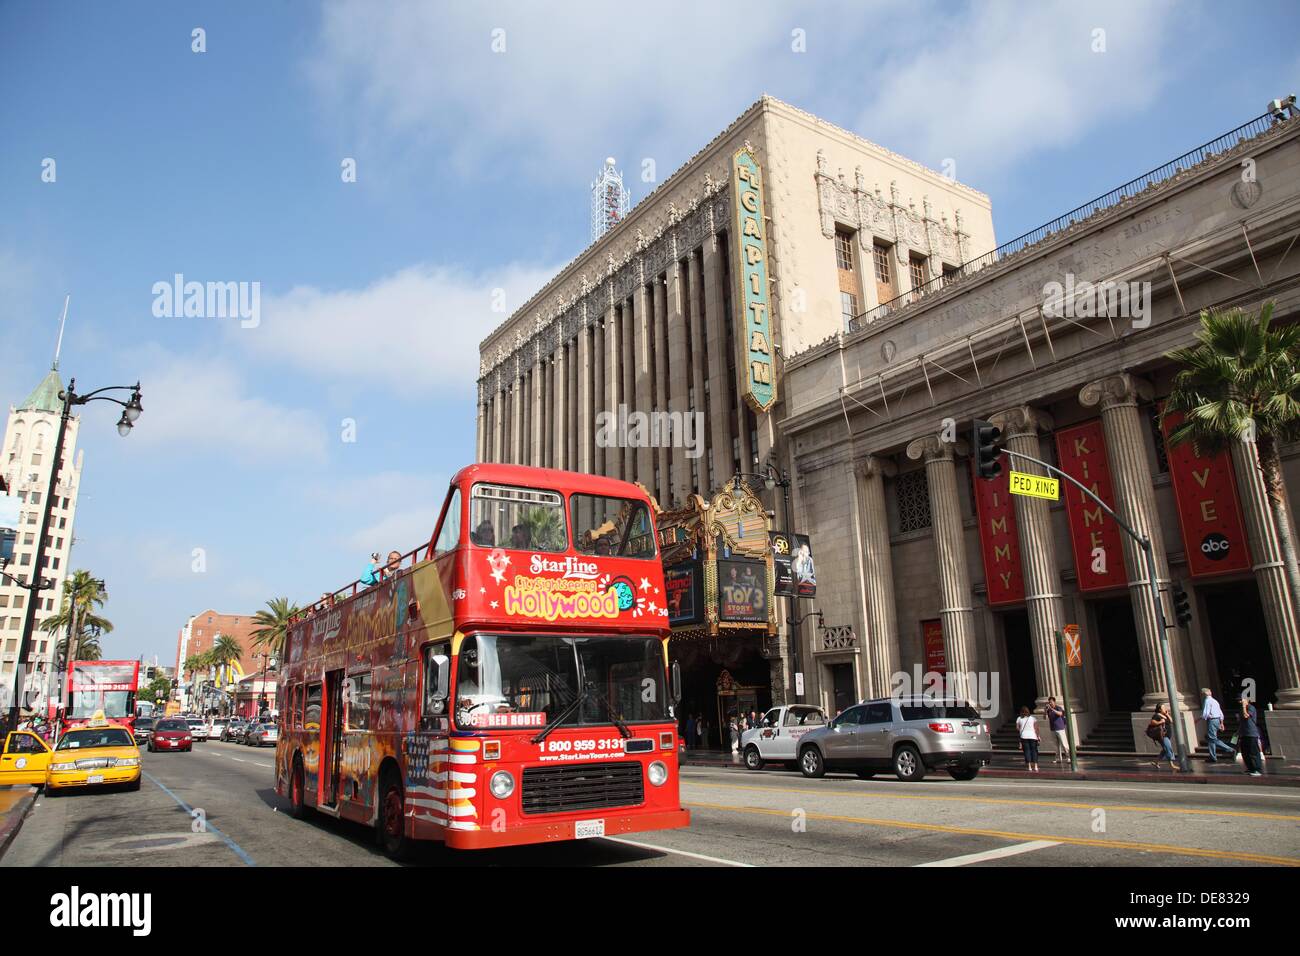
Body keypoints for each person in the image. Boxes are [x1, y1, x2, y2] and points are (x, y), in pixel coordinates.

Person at [1199, 687, 1235, 763]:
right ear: (1210, 693)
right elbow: (1220, 713)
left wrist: (1199, 719)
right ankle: (1213, 756)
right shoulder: (1215, 701)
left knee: (1212, 738)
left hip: (1212, 720)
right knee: (1210, 739)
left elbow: (1206, 713)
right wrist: (1221, 723)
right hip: (1217, 720)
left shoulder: (1207, 701)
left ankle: (1230, 749)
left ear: (1203, 694)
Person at [1146, 703, 1178, 771]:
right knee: (1168, 748)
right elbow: (1152, 722)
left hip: (1167, 735)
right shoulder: (1156, 715)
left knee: (1165, 749)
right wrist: (1160, 722)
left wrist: (1167, 714)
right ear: (1160, 709)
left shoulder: (1164, 715)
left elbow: (1171, 721)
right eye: (1163, 708)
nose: (1165, 708)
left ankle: (1156, 761)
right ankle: (1172, 765)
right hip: (1162, 736)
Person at [1239, 695, 1264, 777]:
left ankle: (1257, 769)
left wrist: (1244, 706)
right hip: (1244, 733)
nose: (1239, 701)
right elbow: (1242, 721)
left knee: (1253, 752)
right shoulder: (1241, 709)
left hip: (1251, 733)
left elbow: (1246, 716)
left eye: (1241, 700)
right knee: (1245, 752)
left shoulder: (1251, 707)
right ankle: (1250, 768)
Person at [1045, 696, 1069, 764]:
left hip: (1060, 728)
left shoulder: (1058, 707)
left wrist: (1052, 709)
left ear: (1054, 702)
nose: (1050, 703)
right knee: (1055, 745)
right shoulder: (1048, 710)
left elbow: (1060, 714)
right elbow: (1044, 717)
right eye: (1049, 702)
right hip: (1053, 728)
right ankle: (1058, 758)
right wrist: (1045, 710)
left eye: (1051, 702)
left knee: (1064, 744)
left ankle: (1068, 757)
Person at [1015, 706, 1040, 772]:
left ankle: (1029, 767)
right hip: (1033, 736)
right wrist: (1038, 736)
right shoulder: (1033, 718)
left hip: (1024, 736)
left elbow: (1017, 728)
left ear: (1021, 712)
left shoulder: (1019, 718)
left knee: (1027, 751)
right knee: (1034, 751)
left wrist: (1022, 728)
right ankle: (1036, 766)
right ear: (1028, 711)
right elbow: (1036, 728)